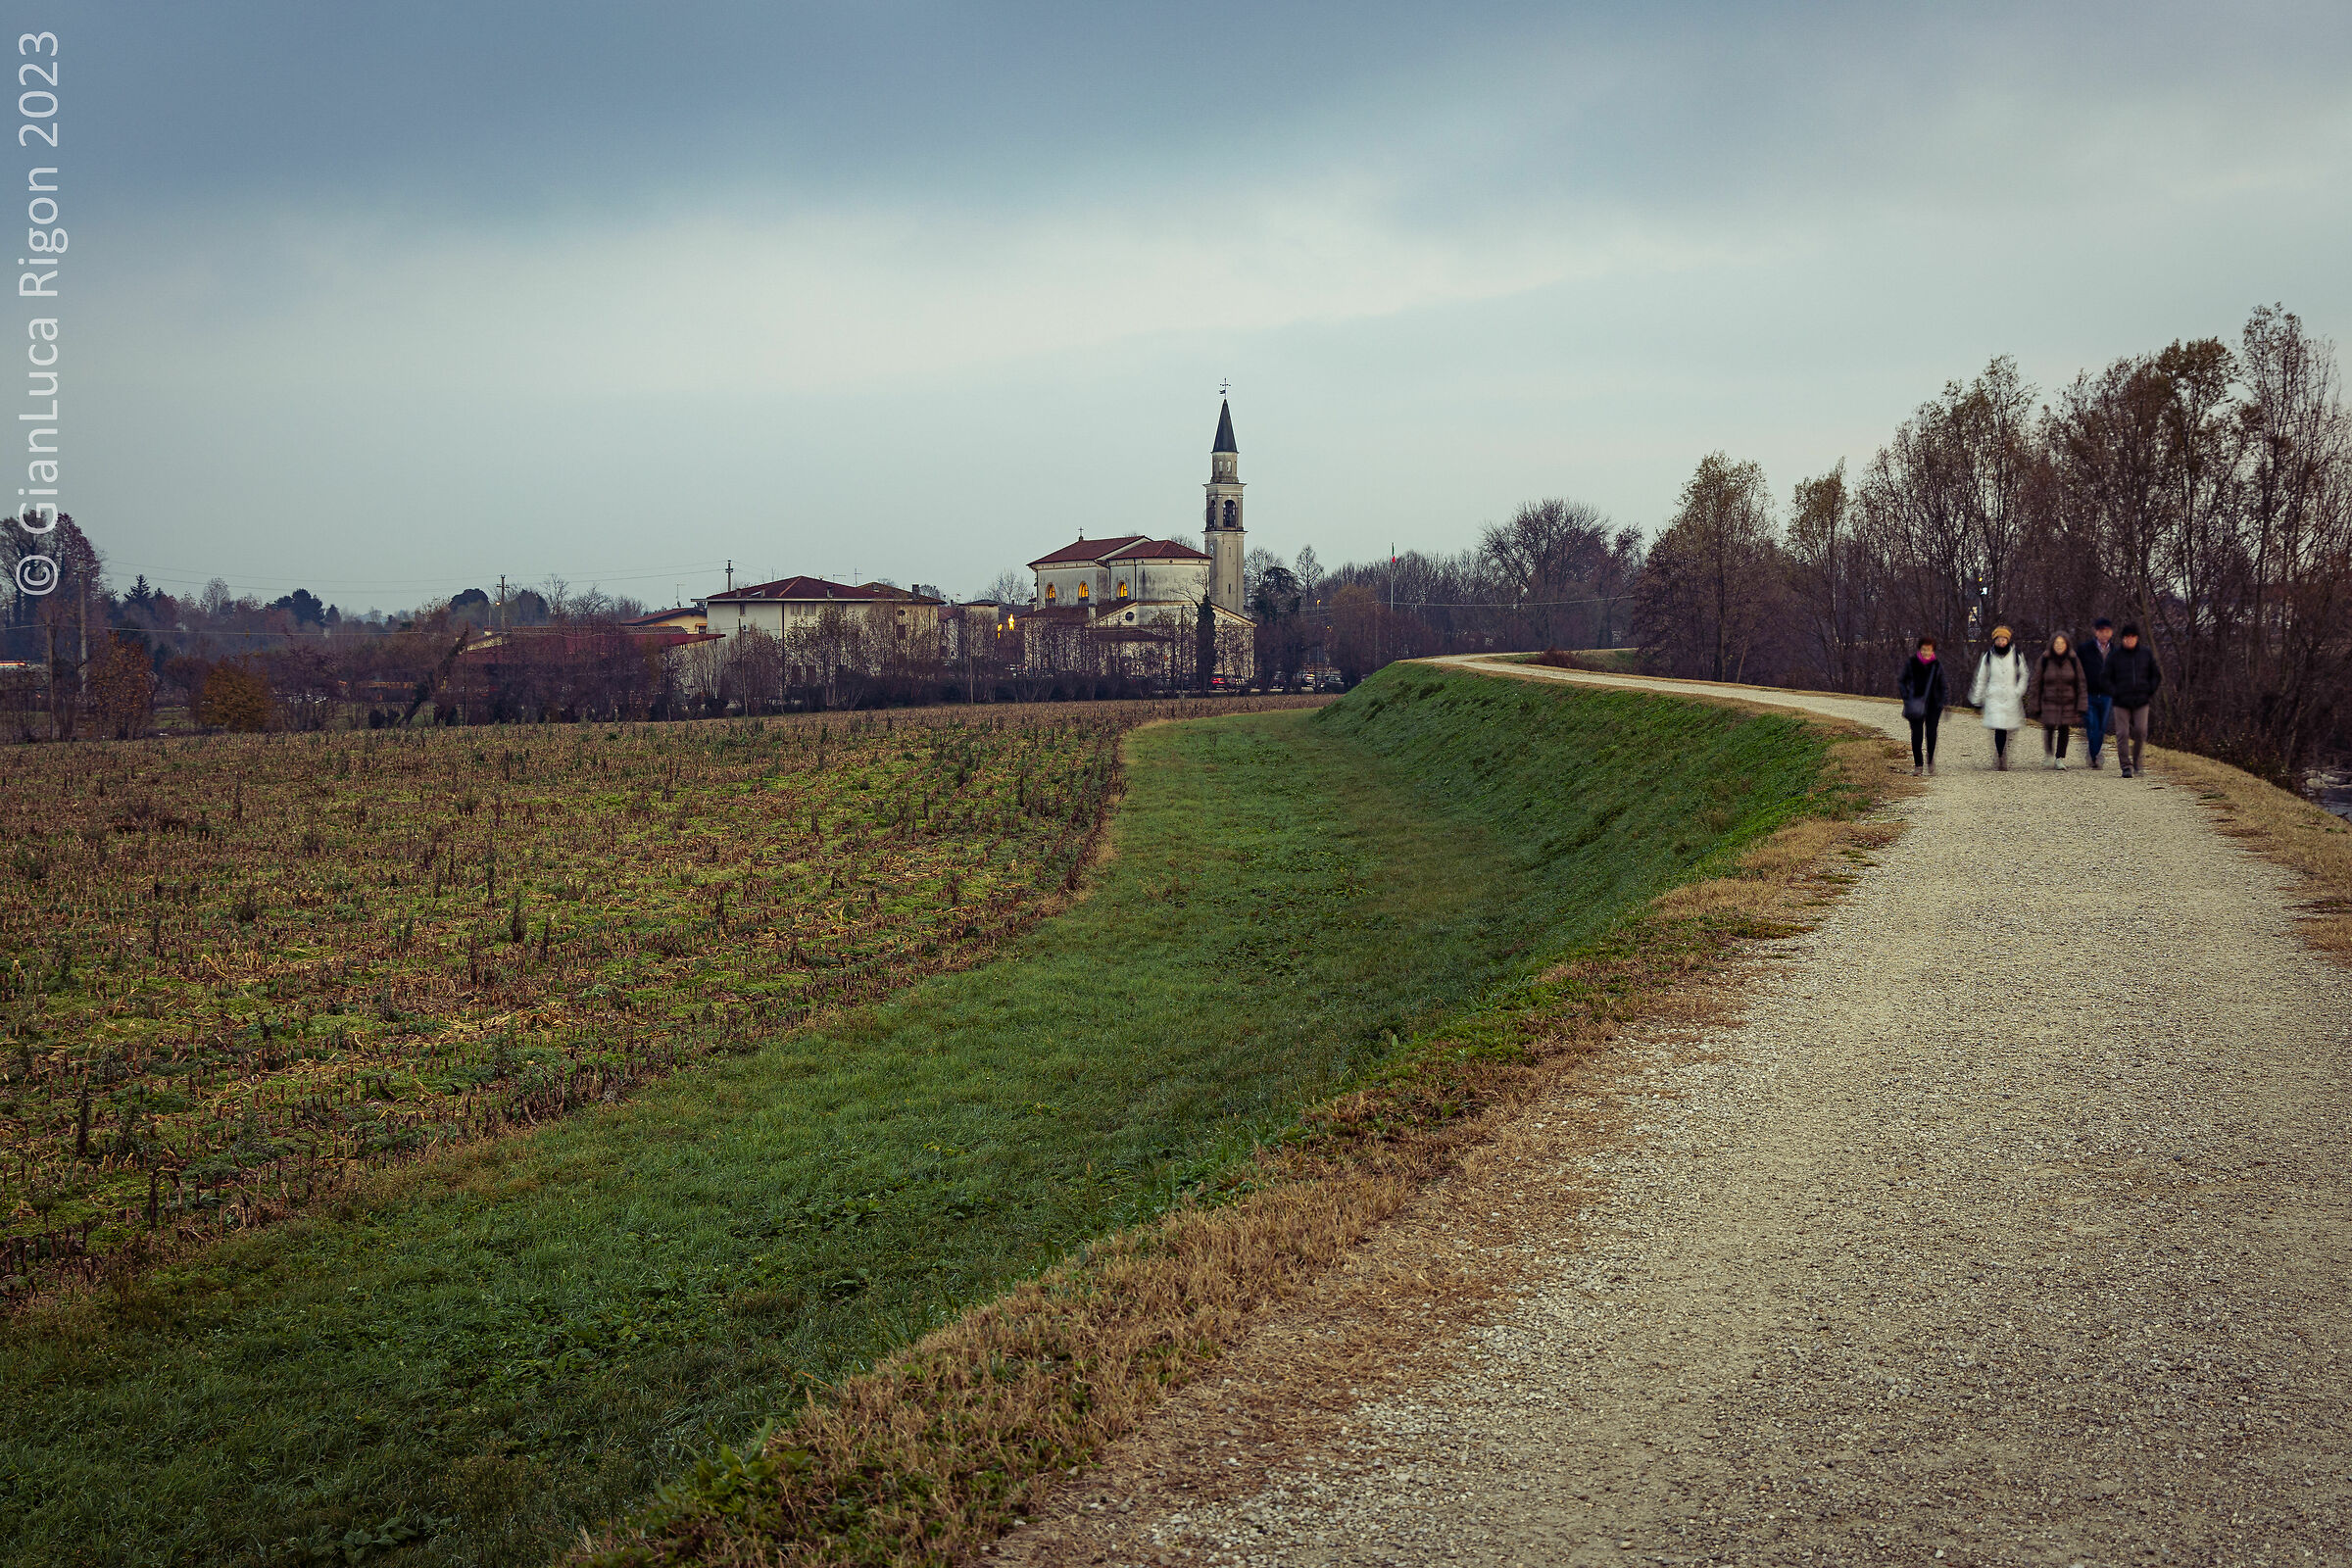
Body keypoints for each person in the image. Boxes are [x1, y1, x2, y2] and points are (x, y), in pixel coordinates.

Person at [1969, 625, 2029, 770]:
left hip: (2011, 695)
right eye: (1999, 639)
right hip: (1994, 696)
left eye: (2004, 639)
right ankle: (2001, 756)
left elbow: (2024, 675)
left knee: (2010, 728)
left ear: (2008, 640)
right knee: (1999, 728)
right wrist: (1977, 700)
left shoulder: (2016, 655)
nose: (2001, 642)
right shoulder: (1988, 657)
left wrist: (2018, 691)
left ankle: (2004, 753)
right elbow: (1981, 678)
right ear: (1994, 640)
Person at [2107, 621, 2162, 778]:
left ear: (2137, 638)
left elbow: (2156, 675)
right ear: (2122, 639)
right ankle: (2125, 766)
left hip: (2141, 700)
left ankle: (2137, 762)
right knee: (2122, 733)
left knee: (2141, 731)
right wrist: (2114, 692)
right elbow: (2105, 678)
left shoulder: (2146, 654)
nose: (2129, 640)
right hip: (2121, 701)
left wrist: (2149, 691)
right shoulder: (2115, 656)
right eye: (2126, 637)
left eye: (2132, 637)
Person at [2030, 632, 2089, 769]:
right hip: (2049, 701)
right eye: (2057, 643)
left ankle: (2059, 758)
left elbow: (2081, 683)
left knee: (2064, 729)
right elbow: (2036, 682)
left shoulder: (2073, 660)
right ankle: (2049, 754)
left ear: (2067, 645)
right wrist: (2034, 703)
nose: (2059, 646)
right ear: (2052, 644)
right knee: (2049, 727)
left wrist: (2081, 705)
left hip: (2068, 702)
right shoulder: (2045, 659)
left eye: (2062, 643)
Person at [1896, 636, 1946, 776]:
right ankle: (1918, 765)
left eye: (1929, 650)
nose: (1926, 652)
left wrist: (1941, 701)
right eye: (1924, 649)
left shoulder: (1937, 665)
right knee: (1916, 735)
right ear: (1920, 649)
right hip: (1915, 703)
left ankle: (1930, 762)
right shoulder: (1911, 663)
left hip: (1933, 705)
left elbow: (1943, 685)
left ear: (1933, 650)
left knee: (1931, 734)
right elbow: (1901, 681)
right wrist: (1906, 697)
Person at [2080, 617, 2116, 769]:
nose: (2104, 634)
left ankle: (2094, 753)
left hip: (2107, 694)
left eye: (2107, 631)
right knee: (2092, 724)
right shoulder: (2085, 649)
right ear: (2096, 632)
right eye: (2101, 631)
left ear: (2111, 632)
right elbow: (2077, 670)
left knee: (2101, 727)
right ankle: (2094, 754)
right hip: (2089, 693)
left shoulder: (2115, 651)